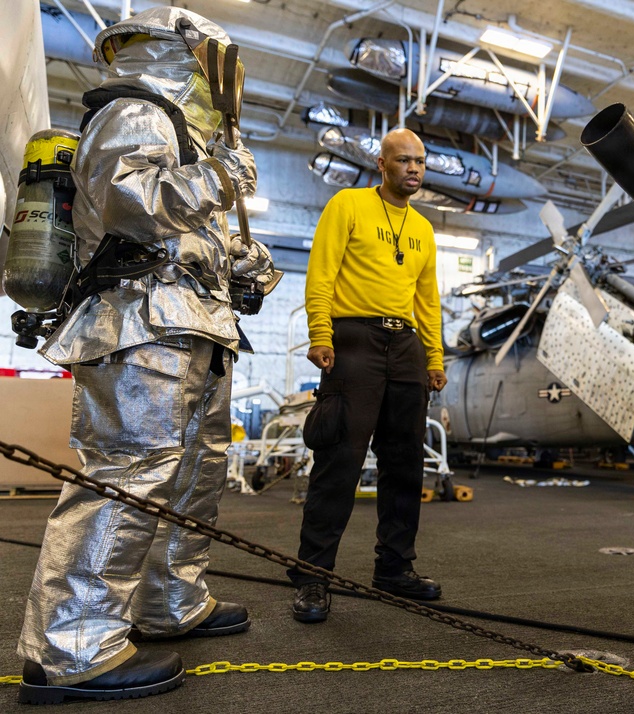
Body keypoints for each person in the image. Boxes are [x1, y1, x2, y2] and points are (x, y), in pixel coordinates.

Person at [15, 7, 273, 705]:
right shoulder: (136, 110)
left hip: (191, 328)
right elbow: (132, 205)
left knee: (192, 476)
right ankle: (72, 647)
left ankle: (169, 603)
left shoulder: (181, 134)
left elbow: (180, 233)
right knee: (127, 477)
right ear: (181, 57)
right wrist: (221, 179)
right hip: (140, 326)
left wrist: (240, 260)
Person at [290, 127, 446, 623]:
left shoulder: (423, 229)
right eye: (403, 161)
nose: (414, 169)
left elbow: (428, 299)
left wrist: (435, 357)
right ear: (382, 164)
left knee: (404, 467)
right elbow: (322, 272)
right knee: (340, 460)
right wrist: (321, 333)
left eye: (420, 161)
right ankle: (314, 576)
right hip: (354, 339)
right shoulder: (348, 205)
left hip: (406, 348)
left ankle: (395, 569)